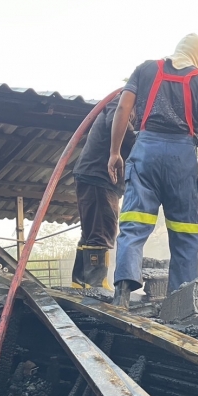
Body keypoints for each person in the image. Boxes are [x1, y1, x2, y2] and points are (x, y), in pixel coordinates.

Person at [108, 33, 198, 307]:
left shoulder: (146, 69)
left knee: (134, 225)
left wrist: (115, 152)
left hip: (146, 152)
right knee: (185, 233)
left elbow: (123, 107)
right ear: (197, 57)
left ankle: (123, 291)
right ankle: (182, 303)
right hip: (182, 158)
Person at [71, 95, 136, 290]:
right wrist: (142, 139)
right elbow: (116, 119)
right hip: (99, 175)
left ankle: (80, 282)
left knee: (91, 231)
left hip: (94, 175)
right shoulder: (124, 101)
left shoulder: (128, 104)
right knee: (101, 229)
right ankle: (96, 284)